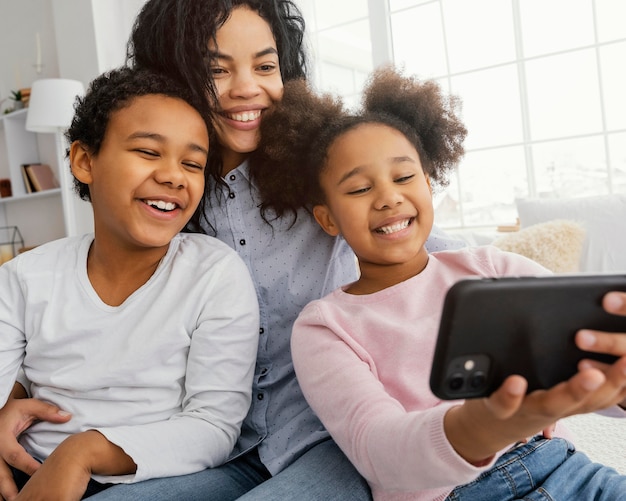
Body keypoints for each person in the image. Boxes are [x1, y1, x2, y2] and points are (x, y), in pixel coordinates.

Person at [254, 66, 626, 500]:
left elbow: (588, 371)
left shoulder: (493, 267)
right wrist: (480, 427)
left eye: (404, 177)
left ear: (429, 186)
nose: (388, 197)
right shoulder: (325, 327)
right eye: (358, 189)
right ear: (327, 218)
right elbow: (377, 450)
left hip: (564, 467)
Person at [0, 66, 260, 500]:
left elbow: (214, 428)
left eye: (192, 163)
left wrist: (82, 452)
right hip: (28, 468)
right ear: (85, 161)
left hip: (147, 477)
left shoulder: (214, 273)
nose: (174, 176)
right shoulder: (25, 278)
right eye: (148, 151)